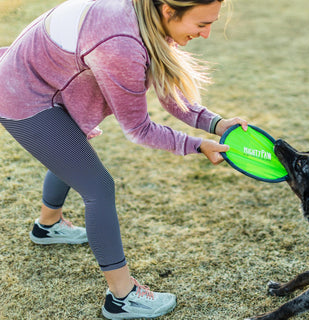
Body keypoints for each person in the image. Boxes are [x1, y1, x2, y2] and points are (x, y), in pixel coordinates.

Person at [0, 0, 247, 318]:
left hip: (40, 81)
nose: (208, 34)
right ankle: (122, 297)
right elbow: (139, 129)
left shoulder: (147, 15)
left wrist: (216, 123)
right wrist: (198, 145)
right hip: (22, 94)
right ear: (169, 11)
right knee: (98, 187)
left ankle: (47, 227)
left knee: (72, 151)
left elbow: (166, 86)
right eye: (201, 25)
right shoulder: (122, 44)